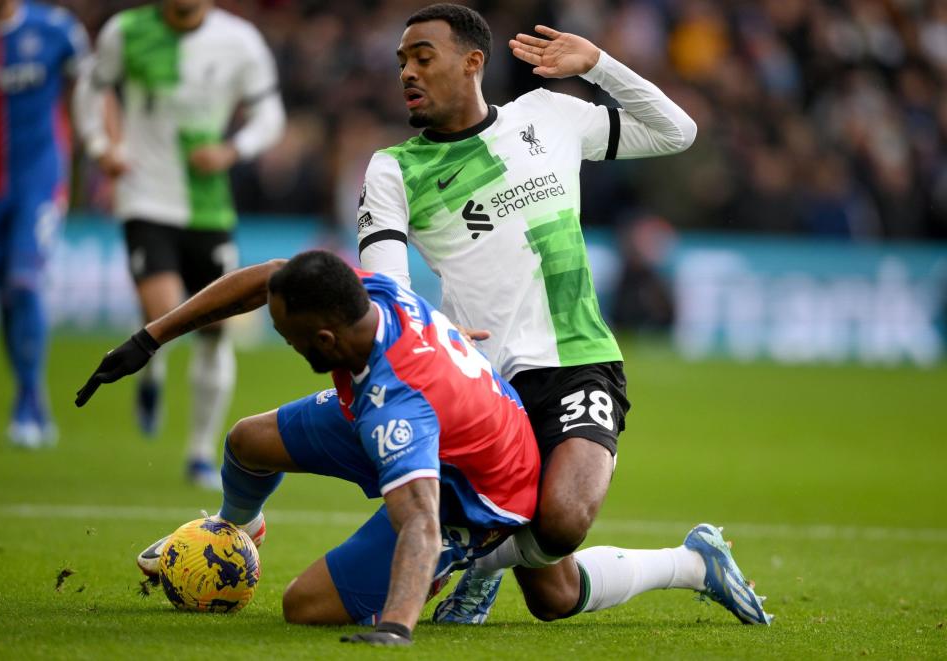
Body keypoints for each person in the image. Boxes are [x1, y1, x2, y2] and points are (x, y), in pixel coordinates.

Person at [357, 4, 771, 625]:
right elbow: (386, 286)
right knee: (555, 597)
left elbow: (675, 132)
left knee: (564, 521)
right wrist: (425, 334)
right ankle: (693, 563)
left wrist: (601, 65)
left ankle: (474, 563)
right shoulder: (395, 167)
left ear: (472, 62)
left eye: (422, 57)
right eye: (401, 63)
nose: (407, 73)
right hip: (480, 378)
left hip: (575, 357)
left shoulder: (547, 113)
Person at [75, 250, 543, 646]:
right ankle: (232, 529)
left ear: (324, 339)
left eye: (288, 335)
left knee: (304, 605)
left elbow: (419, 519)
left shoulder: (395, 403)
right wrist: (149, 339)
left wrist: (397, 627)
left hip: (473, 492)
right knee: (246, 442)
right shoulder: (361, 294)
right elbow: (269, 279)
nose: (285, 341)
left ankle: (480, 559)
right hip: (437, 419)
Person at [72, 0, 285, 487]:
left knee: (214, 329)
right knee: (167, 309)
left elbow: (269, 113)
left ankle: (198, 454)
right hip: (145, 196)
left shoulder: (239, 41)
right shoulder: (126, 31)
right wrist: (102, 148)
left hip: (209, 206)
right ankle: (151, 366)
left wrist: (233, 150)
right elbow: (91, 88)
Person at [0, 0, 89, 448]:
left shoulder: (56, 30)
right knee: (5, 293)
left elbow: (91, 89)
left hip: (37, 183)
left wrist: (100, 152)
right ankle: (29, 393)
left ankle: (28, 401)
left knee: (24, 284)